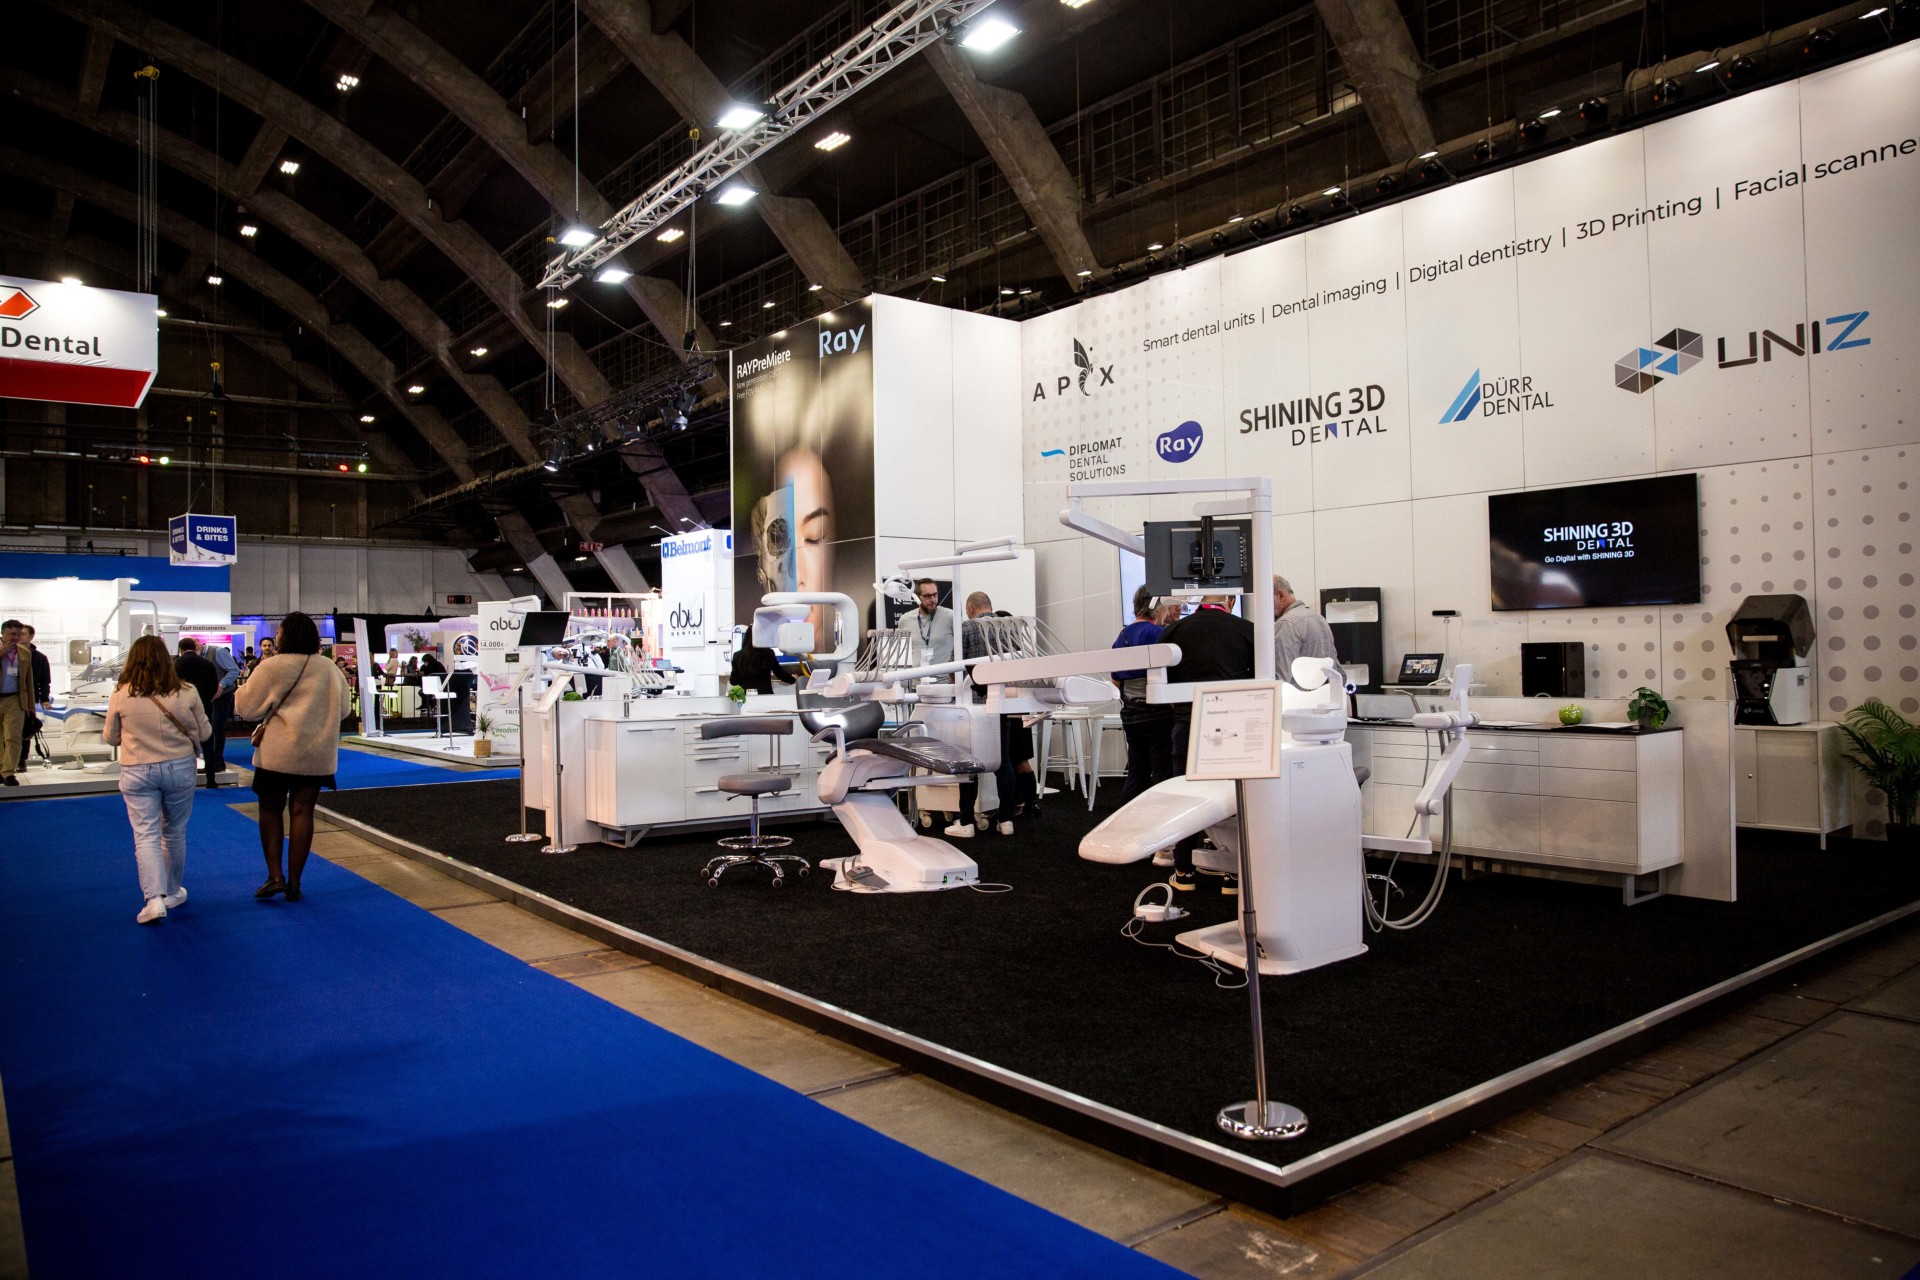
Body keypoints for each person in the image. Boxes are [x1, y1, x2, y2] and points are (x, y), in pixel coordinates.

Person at [236, 612, 348, 903]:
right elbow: (345, 710)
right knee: (303, 813)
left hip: (277, 754)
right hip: (316, 754)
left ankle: (275, 876)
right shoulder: (329, 668)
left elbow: (246, 708)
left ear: (284, 635)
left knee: (270, 810)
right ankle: (295, 884)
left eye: (279, 632)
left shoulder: (271, 666)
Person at [102, 635, 211, 924]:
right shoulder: (187, 691)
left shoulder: (121, 693)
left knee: (146, 835)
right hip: (179, 767)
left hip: (137, 768)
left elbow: (111, 737)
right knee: (174, 832)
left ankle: (153, 899)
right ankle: (172, 891)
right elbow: (205, 732)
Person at [1156, 595, 1255, 892]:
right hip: (1232, 723)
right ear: (1230, 600)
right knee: (1234, 795)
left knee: (1187, 794)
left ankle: (1183, 870)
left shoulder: (1174, 631)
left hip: (1187, 722)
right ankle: (1233, 873)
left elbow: (1163, 683)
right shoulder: (1247, 629)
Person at [1112, 586, 1173, 805]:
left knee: (1137, 773)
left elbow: (1116, 679)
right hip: (1156, 712)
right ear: (1157, 607)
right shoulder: (1157, 634)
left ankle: (1126, 819)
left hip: (1130, 712)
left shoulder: (1123, 636)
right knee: (1163, 773)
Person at [173, 639, 224, 788]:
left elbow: (172, 686)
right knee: (208, 742)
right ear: (195, 648)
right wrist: (206, 700)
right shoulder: (207, 664)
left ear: (181, 649)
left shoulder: (176, 664)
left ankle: (185, 780)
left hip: (182, 709)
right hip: (204, 707)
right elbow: (214, 686)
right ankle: (211, 778)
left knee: (184, 744)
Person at [1273, 575, 1338, 688]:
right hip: (1325, 696)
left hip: (1298, 698)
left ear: (1281, 596)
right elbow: (1338, 671)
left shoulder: (1286, 623)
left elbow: (1282, 680)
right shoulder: (1319, 618)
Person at [0, 619, 37, 786]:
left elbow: (29, 681)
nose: (16, 638)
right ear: (3, 634)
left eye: (19, 634)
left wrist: (31, 705)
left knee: (13, 737)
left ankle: (9, 772)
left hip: (15, 699)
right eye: (12, 634)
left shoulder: (24, 653)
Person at [13, 624, 53, 774]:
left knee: (25, 730)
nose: (20, 637)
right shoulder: (10, 655)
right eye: (18, 634)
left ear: (31, 637)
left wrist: (44, 699)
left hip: (28, 700)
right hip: (10, 697)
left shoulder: (39, 658)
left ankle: (21, 760)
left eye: (23, 634)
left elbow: (45, 681)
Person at [207, 642, 239, 783]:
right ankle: (214, 761)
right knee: (211, 728)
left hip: (223, 695)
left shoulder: (218, 652)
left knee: (217, 728)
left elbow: (234, 670)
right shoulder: (202, 655)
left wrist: (221, 685)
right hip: (210, 697)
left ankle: (218, 761)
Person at [909, 578, 955, 665]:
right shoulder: (905, 620)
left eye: (935, 595)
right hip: (916, 673)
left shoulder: (951, 616)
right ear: (917, 597)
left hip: (945, 674)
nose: (933, 599)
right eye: (927, 596)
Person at [729, 640, 796, 696]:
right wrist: (794, 679)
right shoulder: (768, 653)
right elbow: (780, 673)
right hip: (765, 696)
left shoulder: (737, 655)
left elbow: (733, 681)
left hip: (745, 698)